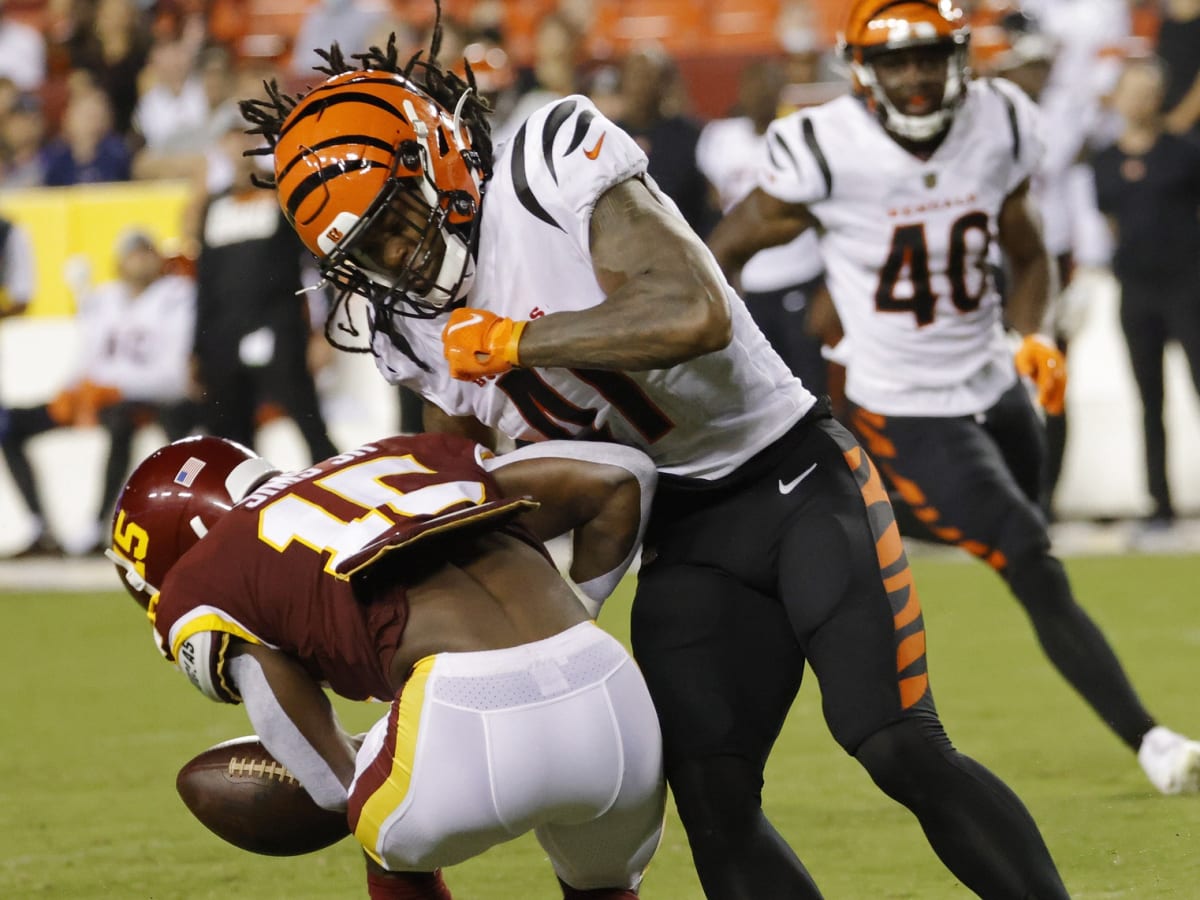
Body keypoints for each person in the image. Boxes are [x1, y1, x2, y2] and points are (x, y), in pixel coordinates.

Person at [240, 21, 1071, 899]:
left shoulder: (548, 164)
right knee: (711, 804)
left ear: (437, 166)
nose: (394, 260)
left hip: (788, 475)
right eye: (364, 254)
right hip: (677, 532)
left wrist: (520, 341)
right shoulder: (404, 325)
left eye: (394, 225)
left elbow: (692, 310)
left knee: (895, 741)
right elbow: (457, 479)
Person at [706, 0, 1200, 799]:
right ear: (864, 67)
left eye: (929, 57)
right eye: (896, 61)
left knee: (1025, 535)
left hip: (994, 382)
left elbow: (1028, 250)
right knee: (1026, 551)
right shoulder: (826, 146)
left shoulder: (1000, 120)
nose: (914, 77)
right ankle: (1152, 741)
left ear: (959, 58)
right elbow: (720, 253)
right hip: (904, 401)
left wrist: (1032, 334)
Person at [105, 431, 666, 900]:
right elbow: (620, 474)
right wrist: (579, 612)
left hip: (468, 705)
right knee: (603, 886)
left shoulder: (198, 581)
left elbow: (323, 776)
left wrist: (355, 781)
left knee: (388, 842)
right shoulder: (407, 453)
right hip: (609, 689)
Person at [1, 229, 196, 557]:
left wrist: (116, 386)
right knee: (9, 425)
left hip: (140, 398)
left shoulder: (176, 295)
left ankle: (99, 524)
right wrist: (70, 392)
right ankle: (40, 525)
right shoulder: (104, 298)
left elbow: (173, 375)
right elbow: (86, 358)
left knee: (122, 423)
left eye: (146, 250)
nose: (140, 258)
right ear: (118, 261)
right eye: (133, 252)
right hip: (98, 397)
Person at [1089, 55, 1200, 527]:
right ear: (1117, 99)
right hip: (1135, 288)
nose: (1138, 101)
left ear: (1158, 98)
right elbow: (1111, 222)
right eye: (1130, 92)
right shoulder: (1105, 160)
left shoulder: (1184, 152)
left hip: (1187, 284)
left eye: (1146, 92)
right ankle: (1160, 504)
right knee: (1149, 400)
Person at [192, 121, 338, 463]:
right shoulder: (213, 206)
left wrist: (323, 331)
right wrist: (196, 349)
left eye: (245, 137)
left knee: (309, 424)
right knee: (231, 440)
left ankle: (343, 497)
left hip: (280, 326)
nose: (238, 147)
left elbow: (316, 264)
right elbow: (204, 283)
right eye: (230, 139)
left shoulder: (282, 193)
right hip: (223, 336)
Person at [695, 57, 830, 393]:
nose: (759, 95)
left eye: (767, 87)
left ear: (780, 92)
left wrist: (828, 286)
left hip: (799, 277)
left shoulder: (801, 136)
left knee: (809, 383)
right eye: (752, 87)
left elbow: (827, 214)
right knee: (759, 387)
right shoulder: (718, 138)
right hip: (748, 284)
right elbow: (714, 200)